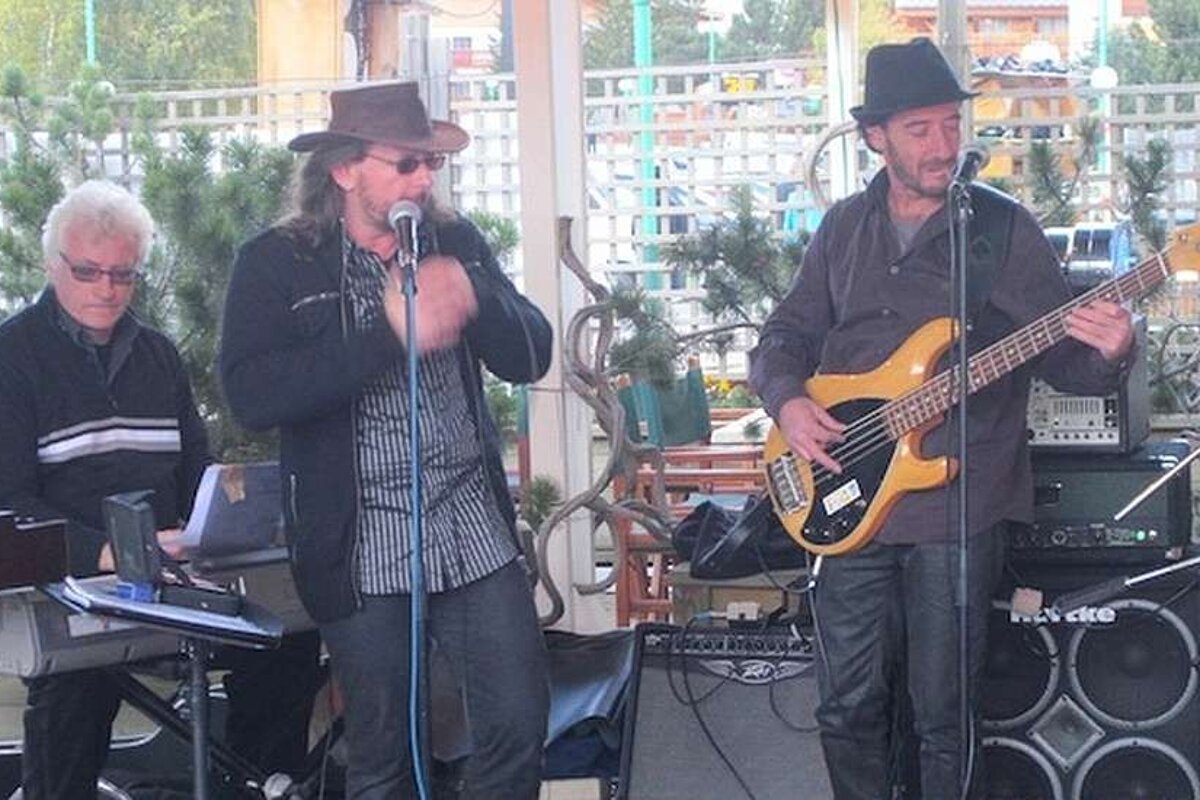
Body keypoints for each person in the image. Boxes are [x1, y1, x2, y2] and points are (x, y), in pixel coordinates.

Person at [748, 39, 1134, 799]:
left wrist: (1111, 351)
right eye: (919, 129)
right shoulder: (842, 229)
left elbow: (1062, 358)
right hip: (844, 494)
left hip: (956, 503)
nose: (942, 144)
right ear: (876, 136)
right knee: (846, 708)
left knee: (944, 717)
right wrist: (789, 403)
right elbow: (783, 337)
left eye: (951, 125)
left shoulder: (1000, 229)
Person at [218, 82, 553, 799]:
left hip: (469, 525)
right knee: (383, 753)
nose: (424, 178)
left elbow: (532, 354)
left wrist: (478, 295)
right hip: (361, 541)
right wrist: (386, 332)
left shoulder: (455, 241)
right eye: (405, 163)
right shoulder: (277, 262)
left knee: (518, 723)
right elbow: (251, 395)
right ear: (345, 169)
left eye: (431, 163)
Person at [0, 180, 323, 799]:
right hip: (72, 588)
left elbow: (195, 470)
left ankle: (254, 786)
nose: (106, 288)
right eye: (88, 271)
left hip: (169, 579)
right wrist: (104, 551)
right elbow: (9, 503)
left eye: (123, 274)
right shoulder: (13, 357)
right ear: (51, 265)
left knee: (286, 637)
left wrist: (218, 522)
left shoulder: (158, 355)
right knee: (76, 684)